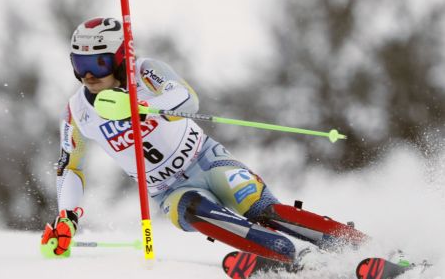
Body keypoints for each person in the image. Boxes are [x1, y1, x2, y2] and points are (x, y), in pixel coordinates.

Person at [40, 17, 367, 268]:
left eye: (97, 63)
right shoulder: (76, 112)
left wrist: (139, 104)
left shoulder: (147, 72)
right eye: (78, 65)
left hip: (207, 160)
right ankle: (293, 258)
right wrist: (68, 216)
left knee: (262, 208)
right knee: (197, 211)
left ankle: (361, 247)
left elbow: (187, 99)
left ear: (121, 57)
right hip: (168, 189)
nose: (88, 76)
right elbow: (71, 166)